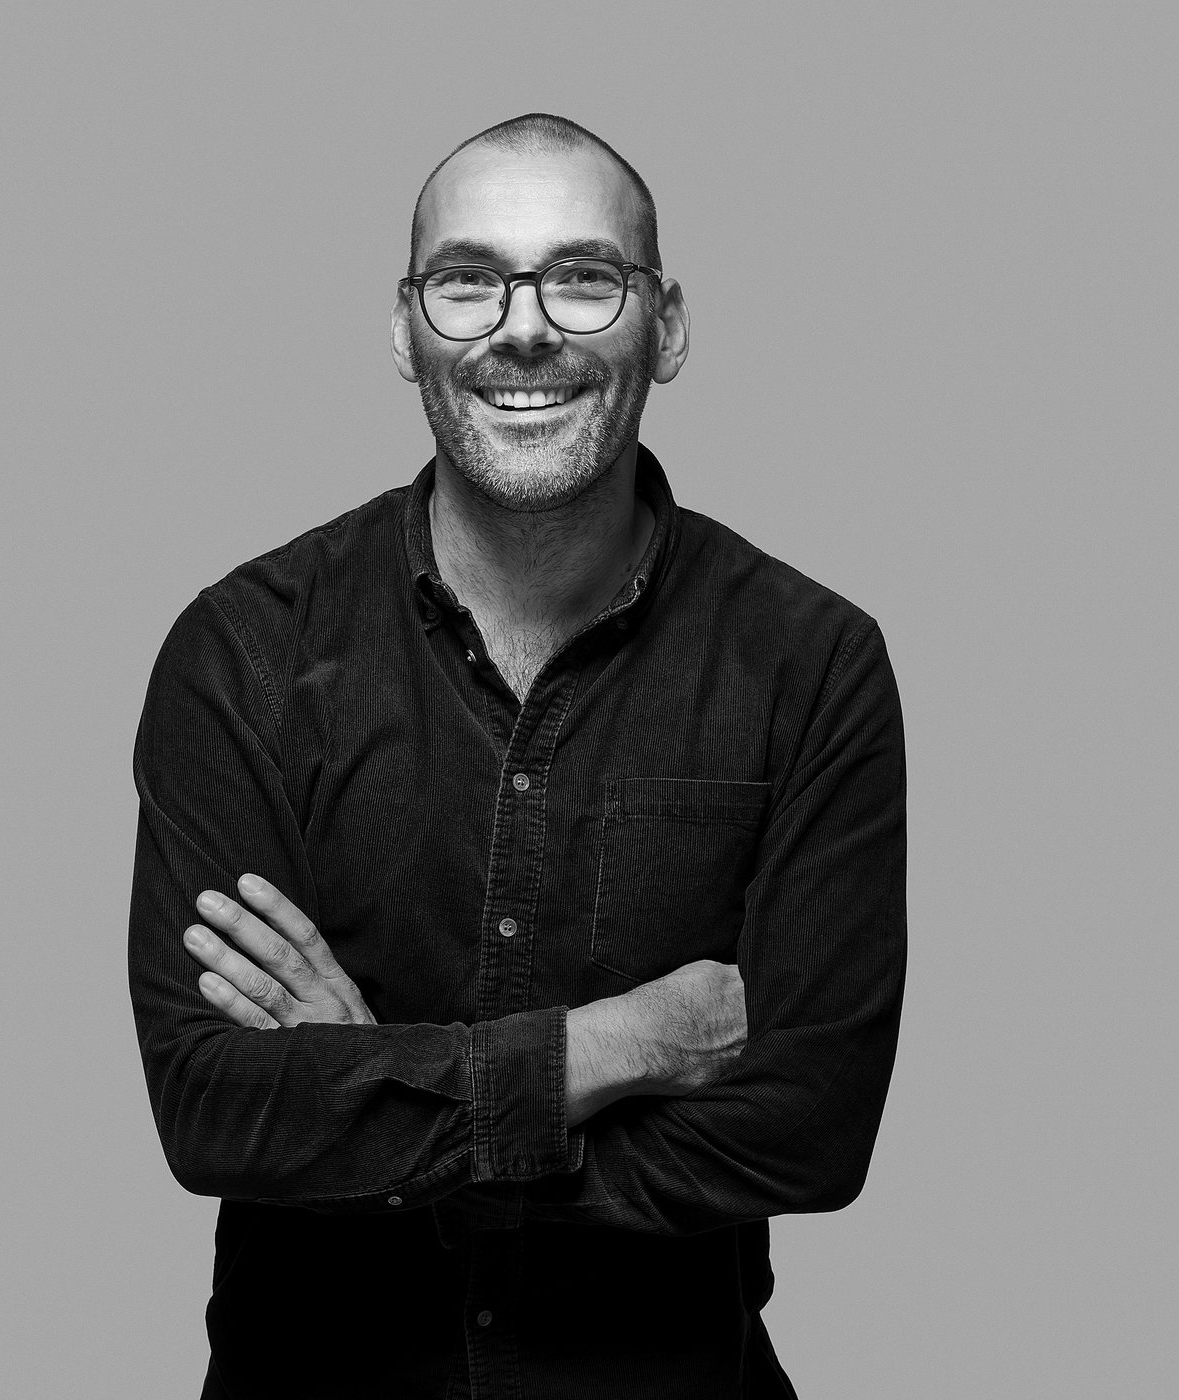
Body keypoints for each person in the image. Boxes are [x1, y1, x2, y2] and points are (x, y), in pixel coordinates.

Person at [128, 112, 907, 1400]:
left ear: (666, 325)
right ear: (404, 330)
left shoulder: (809, 663)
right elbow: (217, 1107)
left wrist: (373, 1094)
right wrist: (614, 1049)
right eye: (469, 279)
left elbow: (808, 1132)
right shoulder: (245, 654)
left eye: (585, 277)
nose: (525, 326)